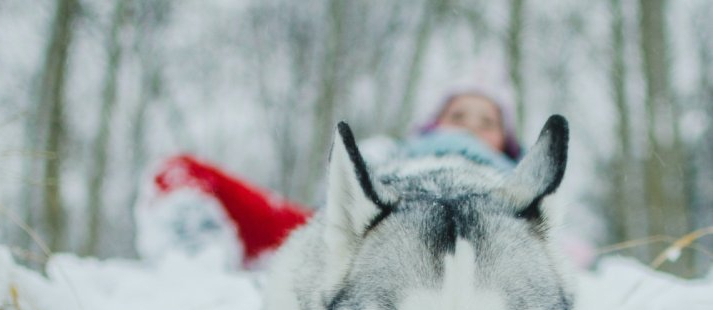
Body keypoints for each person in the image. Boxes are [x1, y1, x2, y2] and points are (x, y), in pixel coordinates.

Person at [138, 78, 523, 266]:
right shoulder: (388, 152)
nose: (469, 127)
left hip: (391, 259)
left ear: (504, 143)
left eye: (485, 121)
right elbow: (328, 207)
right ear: (431, 125)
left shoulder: (516, 190)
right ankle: (194, 265)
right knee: (181, 170)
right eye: (457, 116)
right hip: (322, 235)